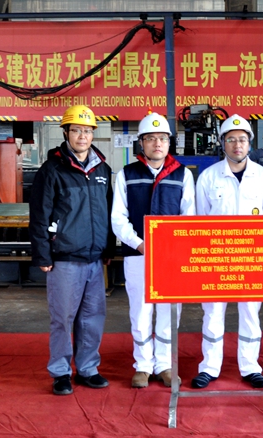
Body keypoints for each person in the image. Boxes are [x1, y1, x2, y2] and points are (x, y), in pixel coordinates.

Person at [29, 105, 115, 396]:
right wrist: (42, 254)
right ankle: (61, 372)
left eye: (87, 131)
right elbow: (39, 214)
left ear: (93, 135)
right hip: (64, 258)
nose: (82, 136)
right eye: (76, 130)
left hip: (94, 259)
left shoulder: (102, 169)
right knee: (63, 318)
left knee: (92, 318)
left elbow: (108, 213)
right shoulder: (52, 170)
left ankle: (88, 369)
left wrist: (108, 248)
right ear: (66, 133)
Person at [192, 114, 263, 389]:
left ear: (249, 143)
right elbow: (200, 220)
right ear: (222, 143)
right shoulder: (208, 177)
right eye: (231, 140)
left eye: (242, 139)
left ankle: (250, 367)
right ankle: (209, 367)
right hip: (216, 257)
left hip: (252, 257)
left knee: (251, 313)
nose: (237, 145)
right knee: (213, 313)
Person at [111, 112, 196, 389]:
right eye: (150, 138)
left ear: (169, 142)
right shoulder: (127, 174)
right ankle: (143, 365)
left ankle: (165, 364)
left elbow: (189, 217)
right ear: (141, 143)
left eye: (162, 138)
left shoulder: (183, 175)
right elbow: (118, 218)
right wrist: (139, 243)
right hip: (138, 255)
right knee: (140, 312)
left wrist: (174, 247)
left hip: (172, 257)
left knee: (170, 312)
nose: (157, 143)